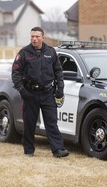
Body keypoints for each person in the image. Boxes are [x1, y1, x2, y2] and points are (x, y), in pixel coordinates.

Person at [11, 26, 69, 158]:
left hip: (48, 93)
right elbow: (16, 73)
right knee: (29, 123)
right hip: (30, 93)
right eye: (32, 36)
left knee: (52, 122)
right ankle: (29, 150)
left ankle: (58, 150)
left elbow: (58, 71)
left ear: (43, 37)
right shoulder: (24, 53)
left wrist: (60, 89)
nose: (34, 39)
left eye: (37, 36)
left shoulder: (51, 52)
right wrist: (22, 91)